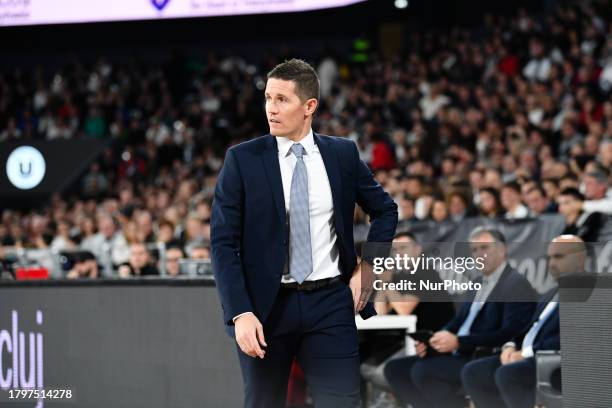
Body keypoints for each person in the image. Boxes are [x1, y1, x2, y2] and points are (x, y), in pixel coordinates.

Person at [211, 58, 398, 408]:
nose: (271, 108)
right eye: (268, 98)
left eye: (282, 99)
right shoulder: (242, 159)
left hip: (329, 303)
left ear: (309, 106)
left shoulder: (341, 154)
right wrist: (240, 312)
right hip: (266, 309)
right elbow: (223, 243)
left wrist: (368, 269)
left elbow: (385, 209)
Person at [384, 227, 536, 408]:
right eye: (474, 250)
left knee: (423, 371)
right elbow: (459, 320)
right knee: (394, 369)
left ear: (502, 250)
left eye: (484, 248)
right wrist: (435, 339)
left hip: (480, 354)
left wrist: (459, 341)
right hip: (459, 351)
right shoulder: (477, 283)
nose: (479, 254)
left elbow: (510, 333)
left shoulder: (516, 284)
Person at [461, 235, 586, 408]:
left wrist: (526, 352)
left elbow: (570, 339)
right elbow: (529, 329)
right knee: (473, 372)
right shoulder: (549, 294)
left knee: (508, 374)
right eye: (549, 258)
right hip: (527, 357)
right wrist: (510, 346)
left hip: (556, 363)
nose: (551, 264)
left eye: (558, 257)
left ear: (579, 259)